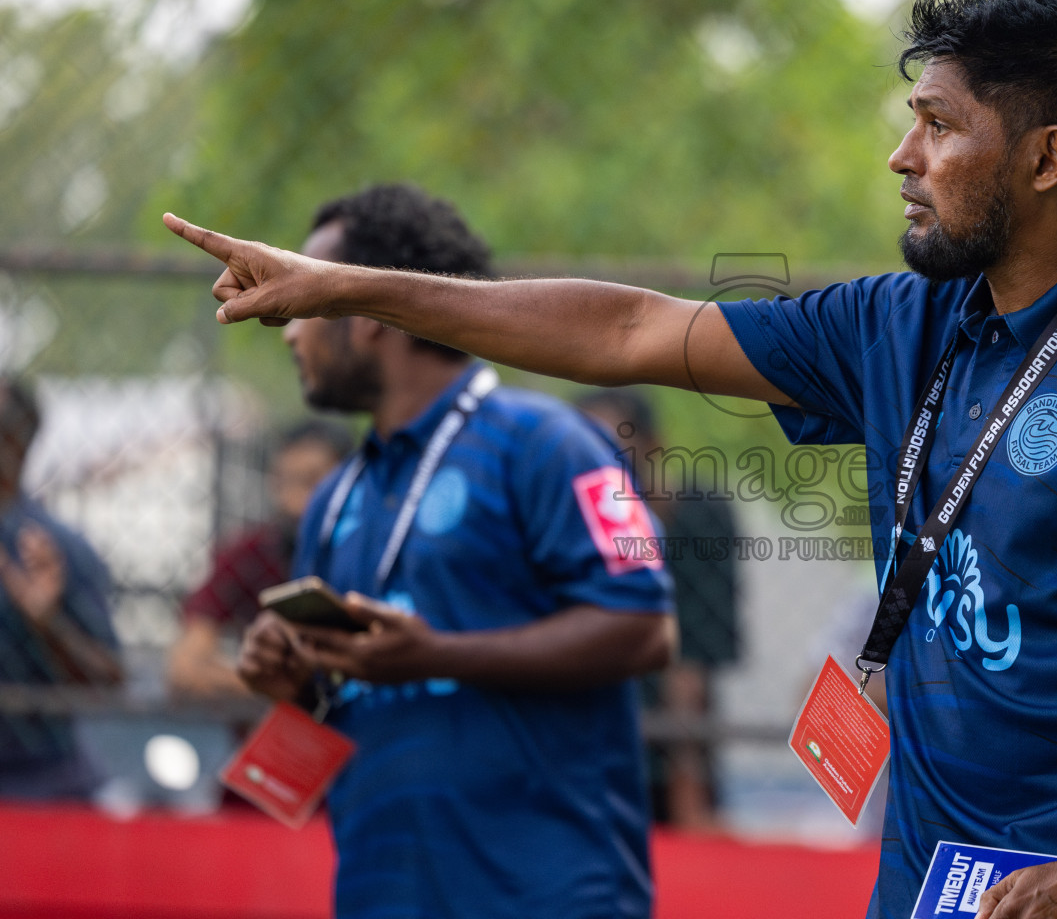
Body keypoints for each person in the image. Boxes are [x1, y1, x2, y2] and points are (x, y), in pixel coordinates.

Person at [168, 0, 1057, 919]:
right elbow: (631, 329)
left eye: (939, 124)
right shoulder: (898, 324)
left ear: (1046, 158)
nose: (903, 155)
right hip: (925, 887)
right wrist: (349, 285)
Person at [231, 184, 676, 919]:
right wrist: (293, 680)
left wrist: (436, 655)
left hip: (550, 897)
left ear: (367, 314)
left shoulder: (553, 443)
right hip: (382, 895)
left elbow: (645, 628)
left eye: (305, 305)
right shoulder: (335, 497)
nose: (289, 334)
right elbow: (345, 697)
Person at [576, 387, 741, 830]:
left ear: (653, 448)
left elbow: (690, 665)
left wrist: (688, 789)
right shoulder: (567, 520)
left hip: (662, 756)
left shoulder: (693, 516)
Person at [0, 376, 122, 799]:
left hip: (40, 778)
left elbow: (109, 677)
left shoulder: (54, 547)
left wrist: (47, 623)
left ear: (17, 442)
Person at [166, 420, 351, 697]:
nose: (293, 500)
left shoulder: (368, 554)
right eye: (283, 482)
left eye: (313, 483)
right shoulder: (250, 554)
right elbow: (187, 666)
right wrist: (276, 687)